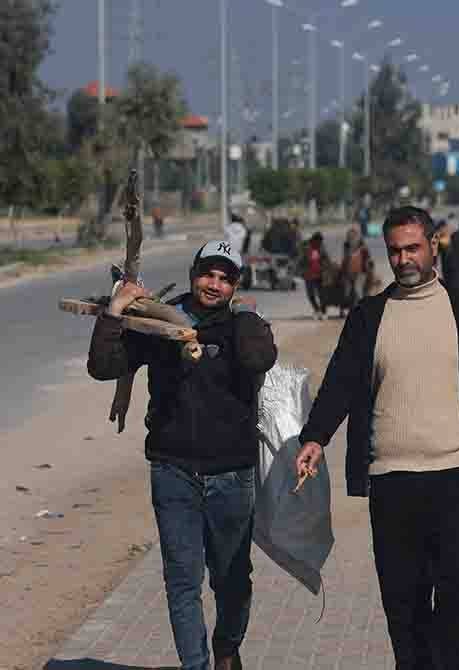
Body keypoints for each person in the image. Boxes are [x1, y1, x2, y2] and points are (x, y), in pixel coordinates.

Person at [295, 206, 459, 670]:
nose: (403, 259)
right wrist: (315, 437)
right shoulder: (368, 316)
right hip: (392, 481)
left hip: (457, 477)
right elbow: (340, 382)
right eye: (395, 250)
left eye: (412, 248)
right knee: (404, 602)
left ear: (434, 244)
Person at [87, 241, 278, 670]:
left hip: (232, 474)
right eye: (208, 273)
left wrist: (244, 314)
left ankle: (227, 647)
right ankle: (197, 665)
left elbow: (258, 358)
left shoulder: (245, 324)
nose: (214, 284)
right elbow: (103, 366)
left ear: (235, 284)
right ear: (193, 273)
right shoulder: (158, 320)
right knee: (182, 581)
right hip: (173, 471)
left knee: (232, 581)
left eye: (225, 277)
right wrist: (115, 312)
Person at [300, 232, 334, 320]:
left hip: (320, 275)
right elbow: (301, 261)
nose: (320, 243)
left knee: (322, 295)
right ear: (314, 240)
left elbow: (327, 259)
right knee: (311, 295)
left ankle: (323, 311)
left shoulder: (321, 248)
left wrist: (328, 269)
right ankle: (317, 310)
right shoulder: (306, 248)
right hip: (309, 276)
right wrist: (302, 272)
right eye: (319, 242)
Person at [341, 227, 373, 315]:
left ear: (357, 237)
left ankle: (362, 309)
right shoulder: (346, 246)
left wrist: (369, 269)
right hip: (348, 273)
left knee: (357, 290)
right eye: (349, 236)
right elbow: (344, 259)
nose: (351, 238)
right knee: (347, 292)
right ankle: (351, 309)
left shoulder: (363, 246)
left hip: (361, 272)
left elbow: (368, 259)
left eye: (353, 236)